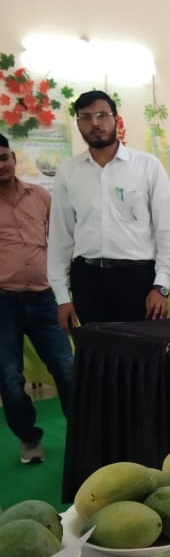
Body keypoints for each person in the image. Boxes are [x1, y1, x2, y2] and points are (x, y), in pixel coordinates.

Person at [48, 90, 170, 331]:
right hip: (87, 280)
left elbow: (167, 232)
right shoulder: (69, 171)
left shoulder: (147, 166)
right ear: (78, 124)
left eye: (102, 115)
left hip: (137, 280)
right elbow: (60, 238)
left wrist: (161, 286)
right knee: (95, 359)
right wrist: (62, 297)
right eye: (85, 117)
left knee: (140, 361)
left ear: (116, 119)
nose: (95, 123)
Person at [0, 133, 73, 464]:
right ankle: (29, 439)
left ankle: (84, 432)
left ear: (13, 158)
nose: (0, 165)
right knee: (10, 379)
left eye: (3, 157)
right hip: (4, 304)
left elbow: (59, 241)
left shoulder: (41, 196)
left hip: (46, 299)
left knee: (67, 368)